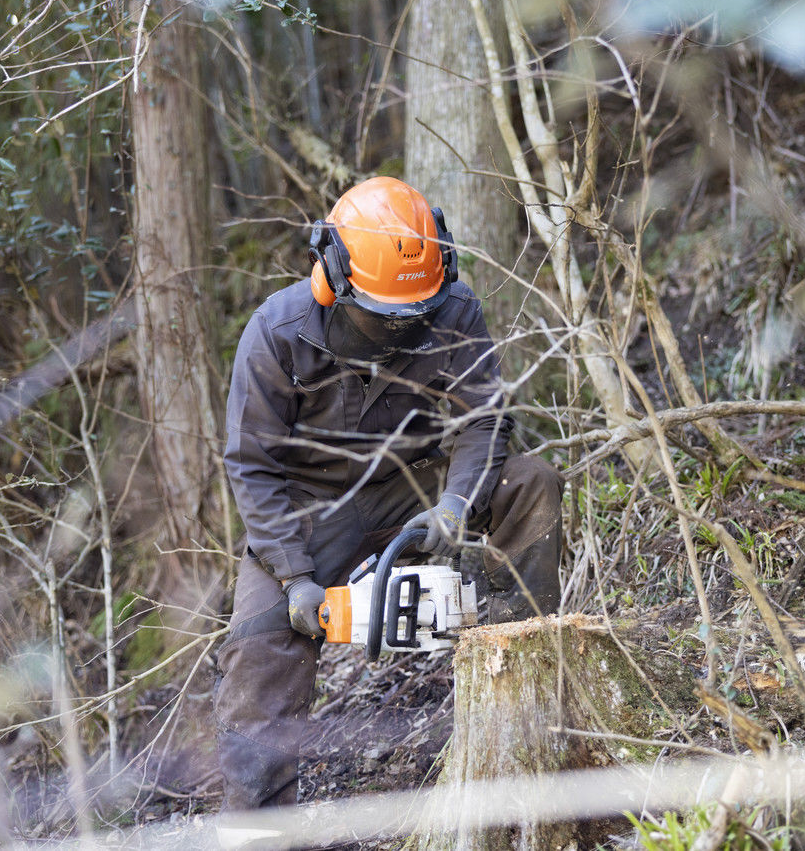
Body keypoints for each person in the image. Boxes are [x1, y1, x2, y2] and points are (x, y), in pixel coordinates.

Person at [215, 176, 563, 811]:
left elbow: (482, 422)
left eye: (416, 313)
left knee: (529, 485)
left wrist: (456, 506)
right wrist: (294, 576)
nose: (404, 329)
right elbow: (252, 464)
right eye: (387, 316)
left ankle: (525, 692)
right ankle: (260, 829)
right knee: (259, 646)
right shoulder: (278, 333)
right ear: (333, 279)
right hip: (310, 505)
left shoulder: (454, 311)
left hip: (415, 483)